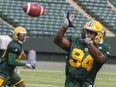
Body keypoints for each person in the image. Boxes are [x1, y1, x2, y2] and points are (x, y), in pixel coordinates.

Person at [54, 11, 111, 87]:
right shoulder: (76, 41)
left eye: (91, 33)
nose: (88, 35)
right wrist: (64, 27)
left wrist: (88, 43)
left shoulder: (104, 47)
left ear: (98, 35)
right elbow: (58, 41)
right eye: (87, 32)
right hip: (70, 84)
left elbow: (100, 58)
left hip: (86, 84)